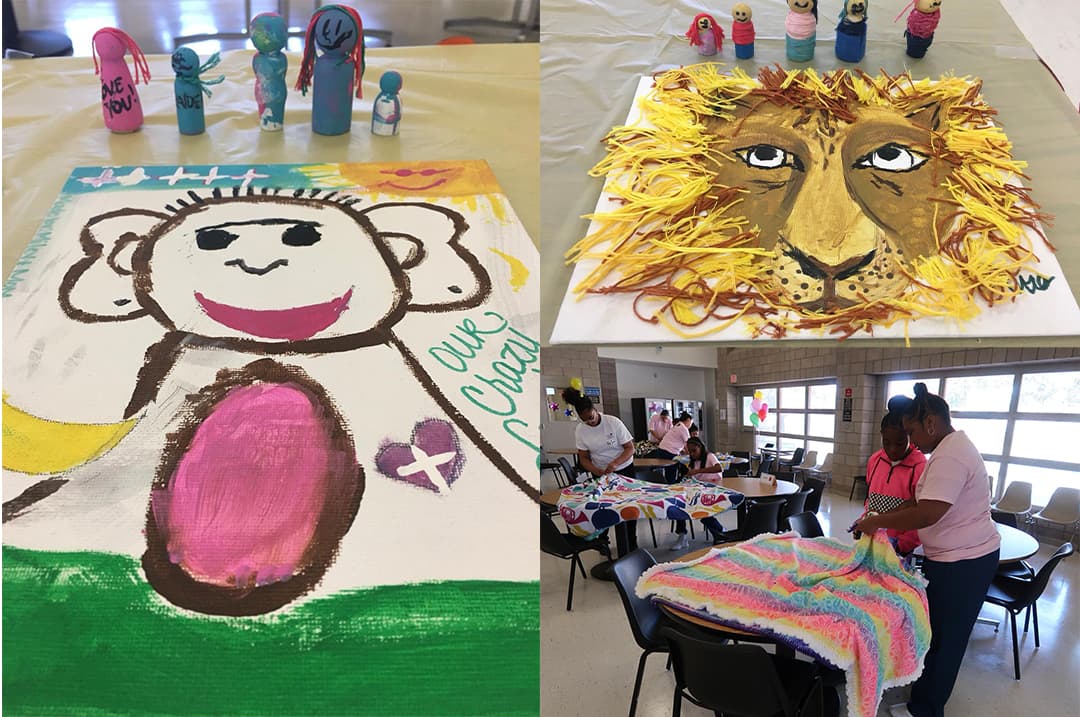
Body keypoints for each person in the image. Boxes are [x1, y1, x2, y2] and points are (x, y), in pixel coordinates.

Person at [854, 383, 1000, 717]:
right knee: (936, 634)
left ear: (930, 423)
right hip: (952, 559)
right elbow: (917, 501)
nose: (912, 441)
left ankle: (926, 710)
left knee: (948, 641)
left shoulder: (950, 455)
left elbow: (927, 513)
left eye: (912, 431)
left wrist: (877, 525)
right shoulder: (948, 449)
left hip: (964, 563)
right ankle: (922, 699)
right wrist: (880, 518)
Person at [562, 386, 638, 552]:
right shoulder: (581, 431)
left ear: (595, 410)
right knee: (603, 507)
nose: (589, 422)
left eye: (591, 417)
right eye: (585, 420)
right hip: (601, 473)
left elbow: (630, 448)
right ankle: (602, 542)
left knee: (628, 507)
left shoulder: (613, 422)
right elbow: (583, 457)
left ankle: (631, 542)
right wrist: (595, 470)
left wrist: (615, 464)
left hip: (623, 469)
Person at [864, 399, 927, 555]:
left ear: (910, 437)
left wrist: (901, 545)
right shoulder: (875, 460)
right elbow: (870, 500)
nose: (892, 450)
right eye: (886, 442)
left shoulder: (920, 467)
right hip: (872, 540)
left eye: (899, 443)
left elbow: (922, 517)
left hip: (899, 547)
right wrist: (864, 522)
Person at [669, 437, 727, 548]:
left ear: (700, 447)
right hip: (698, 490)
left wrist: (698, 470)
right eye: (690, 451)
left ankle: (720, 531)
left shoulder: (710, 457)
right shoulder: (693, 461)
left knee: (702, 511)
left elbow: (719, 468)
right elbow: (695, 478)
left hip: (712, 491)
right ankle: (682, 535)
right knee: (679, 504)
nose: (692, 454)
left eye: (694, 451)